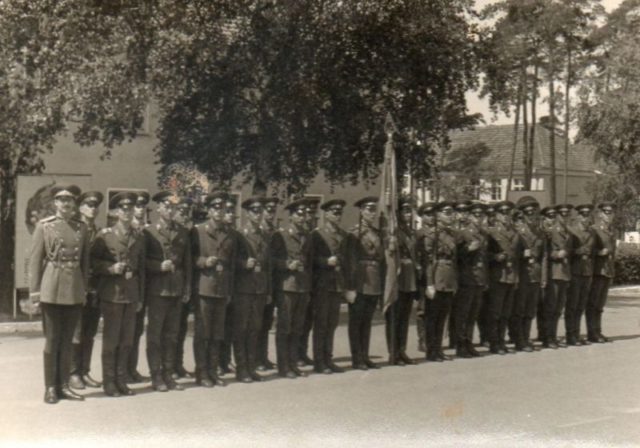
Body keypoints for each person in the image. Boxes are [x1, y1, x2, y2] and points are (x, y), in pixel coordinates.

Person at [29, 184, 90, 404]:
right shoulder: (45, 227)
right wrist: (35, 294)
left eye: (70, 200)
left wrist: (83, 289)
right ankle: (50, 387)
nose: (66, 204)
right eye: (61, 200)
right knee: (52, 341)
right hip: (52, 288)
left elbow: (85, 261)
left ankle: (64, 385)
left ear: (74, 204)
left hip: (73, 288)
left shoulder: (81, 228)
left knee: (67, 341)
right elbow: (35, 262)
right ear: (55, 203)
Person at [91, 192, 146, 397]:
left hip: (131, 295)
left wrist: (140, 297)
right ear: (114, 212)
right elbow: (93, 263)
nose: (127, 212)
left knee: (127, 341)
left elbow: (141, 271)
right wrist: (110, 268)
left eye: (130, 208)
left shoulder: (139, 236)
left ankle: (122, 381)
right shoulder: (104, 235)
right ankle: (109, 382)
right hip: (112, 294)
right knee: (111, 340)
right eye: (122, 208)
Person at [144, 191, 192, 392]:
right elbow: (142, 262)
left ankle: (169, 374)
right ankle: (156, 376)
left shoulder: (182, 232)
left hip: (176, 289)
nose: (170, 210)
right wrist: (157, 266)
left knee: (172, 335)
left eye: (173, 207)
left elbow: (187, 263)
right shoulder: (149, 232)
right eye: (166, 206)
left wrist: (187, 287)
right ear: (158, 208)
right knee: (155, 335)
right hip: (157, 291)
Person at [191, 191, 237, 387]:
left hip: (221, 288)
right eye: (215, 208)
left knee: (217, 333)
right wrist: (203, 261)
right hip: (204, 287)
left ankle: (213, 370)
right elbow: (190, 258)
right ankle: (201, 372)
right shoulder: (198, 231)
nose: (219, 211)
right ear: (208, 210)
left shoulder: (230, 233)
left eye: (223, 208)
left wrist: (229, 290)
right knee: (203, 332)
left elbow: (232, 265)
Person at [271, 198, 314, 378]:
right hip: (287, 286)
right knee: (285, 327)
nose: (303, 217)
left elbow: (310, 263)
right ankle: (283, 366)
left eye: (305, 214)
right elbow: (272, 261)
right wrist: (287, 264)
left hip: (303, 286)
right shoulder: (281, 235)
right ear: (291, 216)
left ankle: (293, 363)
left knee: (298, 327)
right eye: (299, 213)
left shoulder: (308, 236)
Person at [232, 197, 271, 383]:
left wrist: (268, 290)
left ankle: (251, 366)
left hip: (259, 288)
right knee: (241, 329)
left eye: (260, 211)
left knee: (255, 328)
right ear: (247, 213)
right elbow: (231, 261)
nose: (258, 214)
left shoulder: (265, 234)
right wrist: (243, 264)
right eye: (255, 211)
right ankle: (241, 369)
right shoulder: (239, 234)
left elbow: (268, 265)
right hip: (243, 288)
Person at [69, 191, 104, 390]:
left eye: (95, 205)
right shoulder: (75, 229)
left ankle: (84, 371)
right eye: (89, 205)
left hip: (94, 287)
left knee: (89, 332)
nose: (93, 208)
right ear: (80, 207)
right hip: (76, 286)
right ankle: (73, 373)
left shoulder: (99, 232)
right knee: (76, 332)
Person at [310, 199, 350, 374]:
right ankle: (319, 361)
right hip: (322, 284)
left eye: (339, 212)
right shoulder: (317, 234)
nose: (337, 215)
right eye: (334, 212)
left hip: (336, 284)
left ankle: (329, 358)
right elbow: (310, 259)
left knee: (332, 323)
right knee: (321, 323)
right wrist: (325, 261)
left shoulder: (343, 235)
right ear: (326, 214)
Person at [348, 196, 384, 370]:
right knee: (357, 321)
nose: (372, 213)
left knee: (367, 320)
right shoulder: (354, 233)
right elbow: (351, 260)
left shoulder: (377, 233)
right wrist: (351, 286)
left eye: (373, 210)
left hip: (374, 279)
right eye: (368, 209)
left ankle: (365, 355)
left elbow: (381, 258)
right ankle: (357, 358)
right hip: (360, 280)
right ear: (361, 211)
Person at [385, 197, 419, 366]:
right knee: (394, 317)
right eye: (404, 211)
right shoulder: (392, 232)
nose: (408, 214)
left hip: (409, 278)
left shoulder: (411, 232)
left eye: (409, 211)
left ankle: (402, 350)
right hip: (397, 278)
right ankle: (393, 351)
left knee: (404, 317)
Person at [423, 201, 458, 362]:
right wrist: (429, 283)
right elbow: (429, 261)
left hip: (449, 278)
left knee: (442, 316)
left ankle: (438, 349)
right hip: (437, 277)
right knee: (432, 317)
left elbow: (454, 259)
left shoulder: (451, 234)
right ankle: (431, 350)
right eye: (446, 213)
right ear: (438, 215)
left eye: (451, 213)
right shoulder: (432, 235)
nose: (449, 216)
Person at [486, 201, 521, 355]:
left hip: (511, 275)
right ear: (497, 215)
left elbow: (517, 256)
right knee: (495, 312)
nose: (505, 217)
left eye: (508, 213)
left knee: (506, 312)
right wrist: (495, 256)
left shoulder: (515, 232)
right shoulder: (491, 232)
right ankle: (494, 342)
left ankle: (501, 340)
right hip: (498, 276)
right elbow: (484, 254)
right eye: (502, 213)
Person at [454, 200, 488, 358]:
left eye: (481, 215)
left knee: (473, 313)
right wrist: (468, 249)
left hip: (479, 278)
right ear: (470, 215)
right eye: (475, 214)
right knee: (463, 313)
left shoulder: (483, 233)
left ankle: (469, 342)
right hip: (467, 277)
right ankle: (460, 344)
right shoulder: (462, 232)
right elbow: (456, 256)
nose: (478, 218)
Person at [511, 200, 544, 351]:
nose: (531, 216)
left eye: (534, 213)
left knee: (530, 309)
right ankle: (519, 340)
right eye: (528, 213)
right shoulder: (518, 232)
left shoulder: (539, 232)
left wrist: (543, 276)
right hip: (522, 274)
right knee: (520, 309)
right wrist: (521, 255)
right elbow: (511, 255)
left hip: (535, 274)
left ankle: (526, 337)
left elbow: (544, 256)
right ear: (523, 215)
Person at [543, 204, 574, 349]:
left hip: (564, 272)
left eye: (567, 214)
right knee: (551, 306)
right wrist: (556, 254)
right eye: (562, 214)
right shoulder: (551, 231)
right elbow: (544, 252)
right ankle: (548, 337)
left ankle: (553, 336)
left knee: (558, 307)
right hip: (554, 272)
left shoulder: (567, 230)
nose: (564, 216)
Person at [128, 190, 151, 383]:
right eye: (137, 206)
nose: (140, 209)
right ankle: (122, 371)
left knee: (136, 331)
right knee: (125, 331)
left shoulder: (148, 231)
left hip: (145, 286)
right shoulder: (125, 228)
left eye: (143, 206)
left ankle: (131, 368)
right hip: (127, 286)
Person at [256, 197, 281, 372]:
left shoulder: (275, 232)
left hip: (272, 281)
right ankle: (256, 358)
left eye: (273, 210)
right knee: (256, 322)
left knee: (266, 322)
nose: (270, 213)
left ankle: (263, 357)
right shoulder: (258, 230)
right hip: (257, 282)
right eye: (267, 209)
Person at [566, 204, 596, 346]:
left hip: (586, 271)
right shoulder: (572, 231)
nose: (585, 218)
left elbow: (593, 252)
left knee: (580, 305)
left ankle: (577, 334)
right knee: (572, 305)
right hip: (575, 271)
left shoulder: (591, 232)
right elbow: (567, 251)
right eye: (583, 215)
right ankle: (570, 335)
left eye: (588, 215)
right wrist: (576, 252)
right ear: (578, 216)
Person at [587, 202, 616, 343]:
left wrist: (612, 271)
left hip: (607, 271)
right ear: (599, 214)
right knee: (593, 303)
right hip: (597, 271)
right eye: (606, 211)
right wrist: (599, 252)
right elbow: (589, 250)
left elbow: (613, 254)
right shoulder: (594, 230)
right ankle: (592, 333)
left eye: (611, 212)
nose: (608, 215)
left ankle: (598, 331)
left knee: (600, 304)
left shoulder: (611, 231)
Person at [172, 196, 195, 378]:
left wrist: (188, 286)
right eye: (180, 210)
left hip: (185, 285)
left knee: (181, 328)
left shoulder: (190, 231)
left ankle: (177, 364)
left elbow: (188, 262)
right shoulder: (172, 231)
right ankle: (169, 365)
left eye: (186, 211)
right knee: (169, 328)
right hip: (168, 285)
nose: (183, 214)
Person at [299, 197, 320, 366]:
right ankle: (297, 353)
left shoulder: (313, 233)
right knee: (299, 319)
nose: (309, 216)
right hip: (300, 282)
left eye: (312, 213)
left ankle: (302, 352)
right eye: (306, 213)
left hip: (312, 282)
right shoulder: (302, 233)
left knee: (307, 321)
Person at [220, 194, 239, 375]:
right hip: (215, 286)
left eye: (232, 211)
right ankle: (218, 362)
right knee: (216, 327)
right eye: (227, 211)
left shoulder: (235, 235)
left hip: (231, 286)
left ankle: (225, 360)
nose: (230, 215)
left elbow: (235, 262)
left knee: (229, 327)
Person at [415, 202, 437, 353]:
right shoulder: (419, 234)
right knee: (423, 310)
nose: (431, 217)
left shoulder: (439, 232)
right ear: (422, 217)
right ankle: (422, 340)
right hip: (424, 274)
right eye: (428, 215)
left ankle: (434, 340)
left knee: (436, 309)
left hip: (438, 273)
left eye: (433, 214)